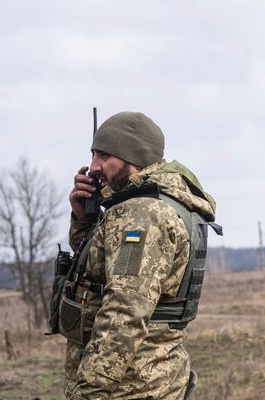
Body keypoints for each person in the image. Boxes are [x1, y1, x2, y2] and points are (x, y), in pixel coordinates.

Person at [63, 111, 218, 399]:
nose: (93, 166)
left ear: (133, 158)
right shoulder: (151, 204)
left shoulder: (142, 214)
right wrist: (84, 219)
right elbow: (98, 270)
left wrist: (89, 392)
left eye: (105, 156)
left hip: (128, 385)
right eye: (93, 153)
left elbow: (125, 311)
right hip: (149, 377)